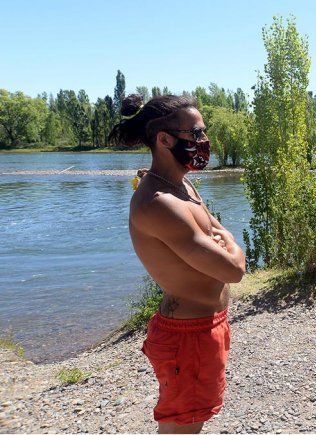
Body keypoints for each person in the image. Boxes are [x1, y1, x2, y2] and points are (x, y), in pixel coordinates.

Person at [110, 94, 246, 434]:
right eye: (196, 133)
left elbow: (219, 235)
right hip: (187, 336)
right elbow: (234, 269)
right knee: (181, 426)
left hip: (206, 326)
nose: (202, 141)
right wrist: (230, 247)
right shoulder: (160, 203)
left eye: (203, 132)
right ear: (165, 139)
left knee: (189, 420)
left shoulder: (181, 185)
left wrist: (225, 244)